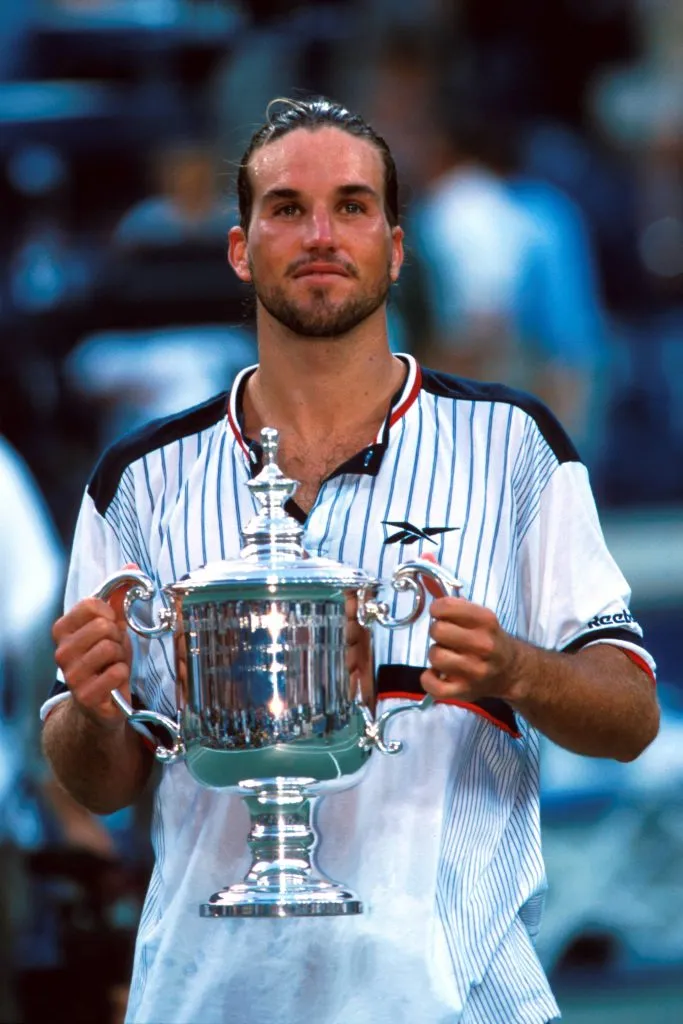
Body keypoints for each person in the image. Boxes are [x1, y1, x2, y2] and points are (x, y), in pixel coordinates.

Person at [41, 97, 660, 1024]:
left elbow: (630, 717)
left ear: (396, 247)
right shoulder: (139, 479)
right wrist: (92, 710)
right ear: (240, 249)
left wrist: (514, 669)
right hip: (209, 998)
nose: (321, 234)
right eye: (287, 208)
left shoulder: (511, 447)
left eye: (352, 206)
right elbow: (99, 781)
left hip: (457, 1000)